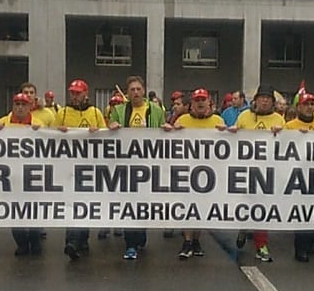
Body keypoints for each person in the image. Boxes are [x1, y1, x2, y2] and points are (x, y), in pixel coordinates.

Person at [163, 88, 226, 259]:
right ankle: (187, 241)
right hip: (187, 172)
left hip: (208, 174)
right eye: (196, 100)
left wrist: (229, 133)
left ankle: (196, 240)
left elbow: (231, 146)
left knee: (201, 209)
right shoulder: (183, 120)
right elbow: (168, 141)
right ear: (191, 104)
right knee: (187, 207)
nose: (200, 102)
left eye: (202, 99)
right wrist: (170, 131)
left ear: (209, 103)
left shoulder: (218, 121)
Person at [107, 75, 166, 260]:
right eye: (132, 90)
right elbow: (109, 128)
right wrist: (112, 126)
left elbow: (162, 130)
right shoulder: (119, 110)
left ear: (143, 90)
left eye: (138, 89)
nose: (135, 93)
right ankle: (130, 243)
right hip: (126, 166)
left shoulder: (155, 110)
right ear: (127, 92)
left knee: (143, 204)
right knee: (129, 205)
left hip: (147, 166)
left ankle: (139, 235)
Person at [229, 85, 285, 262]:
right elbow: (233, 138)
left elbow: (289, 144)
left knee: (262, 209)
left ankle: (261, 245)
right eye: (262, 97)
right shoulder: (244, 117)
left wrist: (282, 134)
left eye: (268, 98)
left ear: (273, 102)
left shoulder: (279, 119)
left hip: (267, 171)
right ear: (255, 100)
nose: (265, 100)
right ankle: (244, 227)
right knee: (246, 205)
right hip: (245, 170)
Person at [55, 78, 107, 260]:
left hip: (90, 168)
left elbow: (106, 137)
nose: (74, 96)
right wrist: (57, 132)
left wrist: (98, 133)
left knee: (85, 203)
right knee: (72, 204)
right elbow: (50, 139)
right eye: (72, 93)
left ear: (86, 94)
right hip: (69, 168)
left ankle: (82, 238)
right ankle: (72, 241)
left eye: (78, 93)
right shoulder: (62, 113)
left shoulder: (95, 112)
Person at [0, 93, 45, 256]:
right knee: (15, 212)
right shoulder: (3, 123)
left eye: (23, 104)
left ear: (30, 106)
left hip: (33, 177)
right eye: (17, 104)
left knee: (34, 211)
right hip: (12, 177)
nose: (20, 107)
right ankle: (21, 243)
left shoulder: (38, 124)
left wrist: (42, 133)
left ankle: (34, 240)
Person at [284, 92, 314, 262]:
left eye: (312, 104)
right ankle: (300, 248)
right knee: (301, 212)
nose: (309, 107)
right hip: (298, 175)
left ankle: (310, 244)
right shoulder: (290, 126)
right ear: (299, 107)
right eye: (306, 104)